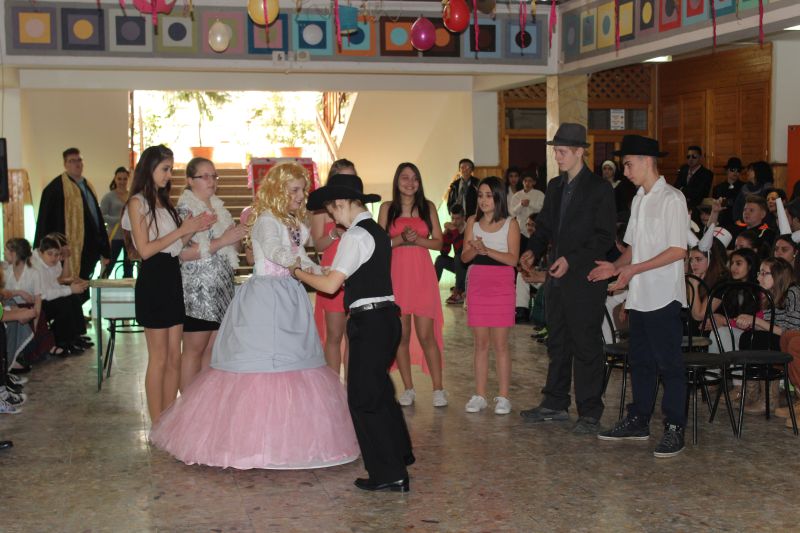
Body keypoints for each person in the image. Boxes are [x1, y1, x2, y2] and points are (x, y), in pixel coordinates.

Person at [150, 163, 359, 470]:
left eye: (302, 190)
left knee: (294, 364)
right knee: (260, 365)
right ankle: (251, 441)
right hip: (266, 297)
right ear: (278, 190)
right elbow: (275, 252)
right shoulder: (265, 219)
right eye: (294, 190)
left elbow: (299, 255)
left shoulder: (291, 221)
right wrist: (300, 269)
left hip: (289, 297)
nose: (300, 196)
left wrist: (320, 269)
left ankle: (286, 440)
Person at [297, 172, 413, 492]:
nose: (333, 218)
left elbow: (330, 286)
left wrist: (297, 271)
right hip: (386, 318)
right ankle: (400, 455)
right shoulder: (375, 231)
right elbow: (352, 274)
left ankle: (388, 473)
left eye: (332, 211)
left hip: (370, 322)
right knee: (380, 392)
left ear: (342, 203)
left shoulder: (356, 236)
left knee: (364, 399)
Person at [589, 134, 689, 458]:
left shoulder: (672, 198)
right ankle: (639, 419)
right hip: (641, 295)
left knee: (669, 364)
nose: (626, 171)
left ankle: (675, 427)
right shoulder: (638, 199)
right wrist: (616, 267)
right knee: (641, 362)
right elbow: (634, 248)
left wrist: (633, 270)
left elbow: (678, 250)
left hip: (664, 295)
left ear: (647, 161)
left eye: (629, 165)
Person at [518, 123, 616, 434]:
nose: (557, 156)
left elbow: (604, 237)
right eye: (556, 151)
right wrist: (531, 250)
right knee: (557, 341)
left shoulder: (599, 189)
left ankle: (590, 412)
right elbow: (545, 227)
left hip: (585, 279)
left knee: (586, 345)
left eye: (561, 151)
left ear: (578, 152)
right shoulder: (555, 186)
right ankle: (555, 402)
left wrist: (571, 260)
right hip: (557, 279)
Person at [121, 145, 215, 424]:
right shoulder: (137, 203)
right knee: (159, 358)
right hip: (153, 279)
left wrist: (193, 229)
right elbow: (145, 250)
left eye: (171, 169)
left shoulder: (165, 203)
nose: (168, 175)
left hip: (172, 277)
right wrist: (182, 230)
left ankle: (168, 419)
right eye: (164, 169)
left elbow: (174, 248)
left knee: (175, 357)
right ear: (149, 168)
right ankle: (156, 422)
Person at [379, 163, 446, 408]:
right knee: (402, 336)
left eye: (415, 178)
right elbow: (379, 244)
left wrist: (417, 240)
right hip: (396, 277)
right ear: (397, 181)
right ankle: (408, 388)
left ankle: (438, 389)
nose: (410, 183)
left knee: (427, 335)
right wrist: (400, 239)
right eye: (405, 178)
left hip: (422, 276)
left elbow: (439, 243)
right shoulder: (387, 208)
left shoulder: (428, 207)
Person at [176, 157, 245, 391]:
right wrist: (223, 240)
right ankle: (187, 405)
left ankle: (203, 403)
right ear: (190, 180)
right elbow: (182, 252)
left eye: (214, 176)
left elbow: (232, 248)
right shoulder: (186, 210)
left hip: (221, 288)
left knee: (212, 351)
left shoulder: (219, 208)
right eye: (204, 176)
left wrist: (236, 237)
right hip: (197, 291)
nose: (211, 180)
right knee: (193, 351)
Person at [461, 177, 520, 414]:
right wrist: (474, 249)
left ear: (498, 197)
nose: (484, 200)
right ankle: (480, 395)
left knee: (501, 344)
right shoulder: (472, 221)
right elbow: (464, 257)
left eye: (489, 195)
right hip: (478, 282)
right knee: (481, 344)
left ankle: (504, 397)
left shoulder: (511, 223)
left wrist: (487, 250)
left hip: (502, 283)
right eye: (480, 195)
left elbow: (513, 259)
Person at [34, 148, 110, 297]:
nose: (77, 164)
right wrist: (52, 246)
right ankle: (73, 309)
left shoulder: (88, 185)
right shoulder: (55, 189)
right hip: (66, 250)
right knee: (67, 286)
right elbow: (45, 221)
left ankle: (79, 308)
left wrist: (104, 247)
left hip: (88, 248)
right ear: (65, 164)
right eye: (72, 161)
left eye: (79, 160)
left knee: (84, 282)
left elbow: (96, 218)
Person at [311, 158, 357, 374]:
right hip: (332, 274)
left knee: (353, 335)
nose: (348, 183)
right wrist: (333, 233)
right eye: (343, 178)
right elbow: (317, 245)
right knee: (334, 334)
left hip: (355, 273)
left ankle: (351, 388)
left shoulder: (358, 206)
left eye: (352, 177)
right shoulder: (321, 209)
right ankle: (333, 387)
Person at [31, 235, 89, 355]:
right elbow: (45, 294)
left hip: (47, 296)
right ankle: (61, 341)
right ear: (41, 252)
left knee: (73, 298)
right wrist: (70, 289)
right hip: (36, 301)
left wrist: (71, 289)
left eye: (57, 255)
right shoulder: (35, 266)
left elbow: (58, 282)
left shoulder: (54, 261)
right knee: (63, 304)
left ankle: (75, 336)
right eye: (50, 254)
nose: (54, 258)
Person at [100, 167, 133, 278]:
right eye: (119, 179)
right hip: (114, 237)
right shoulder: (108, 197)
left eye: (125, 179)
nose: (122, 182)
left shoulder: (132, 196)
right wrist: (119, 220)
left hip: (129, 237)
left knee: (129, 268)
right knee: (108, 266)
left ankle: (128, 287)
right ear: (115, 179)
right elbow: (102, 216)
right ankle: (102, 286)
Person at [435, 204, 467, 305]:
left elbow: (461, 250)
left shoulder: (469, 229)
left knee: (458, 257)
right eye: (452, 218)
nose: (454, 221)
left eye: (457, 219)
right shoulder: (453, 230)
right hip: (459, 266)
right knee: (440, 259)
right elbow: (444, 252)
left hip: (469, 266)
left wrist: (454, 231)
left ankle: (458, 291)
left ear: (463, 218)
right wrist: (446, 234)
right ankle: (431, 288)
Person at [675, 145, 713, 211]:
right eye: (688, 156)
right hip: (680, 206)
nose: (690, 159)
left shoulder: (706, 174)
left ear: (700, 158)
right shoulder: (683, 170)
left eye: (694, 156)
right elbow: (676, 187)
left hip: (696, 208)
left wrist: (682, 189)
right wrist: (689, 191)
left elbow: (699, 194)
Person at [712, 157, 744, 229]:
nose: (735, 172)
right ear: (727, 170)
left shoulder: (744, 187)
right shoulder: (718, 188)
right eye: (732, 169)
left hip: (738, 221)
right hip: (722, 221)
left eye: (738, 170)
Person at [509, 173, 544, 239]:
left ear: (534, 182)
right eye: (525, 181)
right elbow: (513, 213)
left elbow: (543, 210)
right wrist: (521, 205)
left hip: (536, 229)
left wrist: (530, 204)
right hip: (521, 230)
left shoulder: (540, 194)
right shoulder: (516, 196)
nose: (527, 183)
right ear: (522, 182)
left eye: (530, 181)